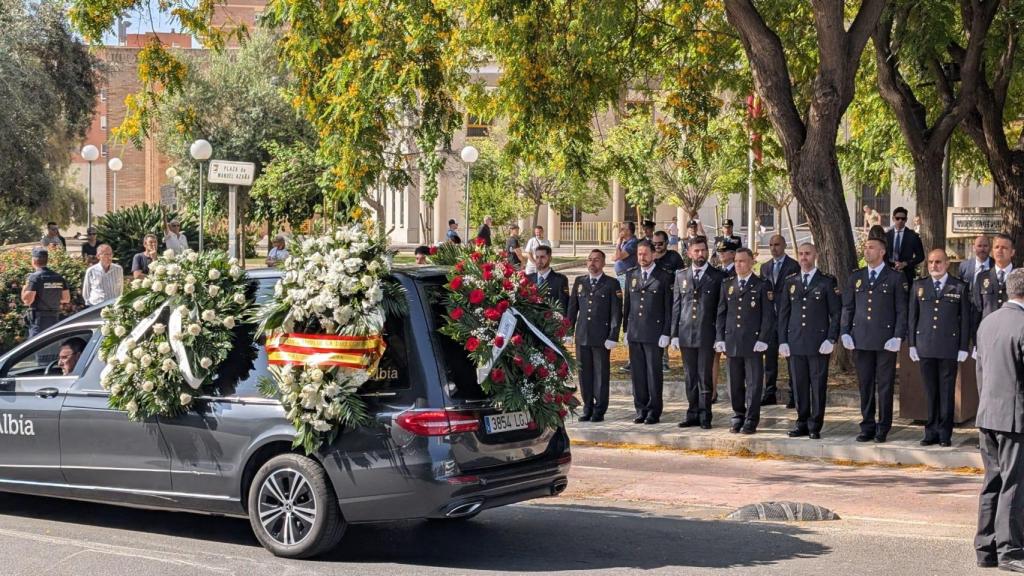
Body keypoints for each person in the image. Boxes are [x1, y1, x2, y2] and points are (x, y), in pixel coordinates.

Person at [974, 269, 1024, 571]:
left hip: (989, 412)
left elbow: (982, 370)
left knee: (992, 481)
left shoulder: (988, 321)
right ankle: (1011, 550)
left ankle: (986, 548)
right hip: (1014, 415)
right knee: (1014, 484)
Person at [841, 232, 908, 444]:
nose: (866, 251)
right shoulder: (856, 277)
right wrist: (845, 331)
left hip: (885, 340)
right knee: (865, 384)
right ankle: (867, 425)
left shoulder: (895, 277)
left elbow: (901, 310)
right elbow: (848, 307)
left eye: (871, 247)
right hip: (861, 338)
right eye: (866, 247)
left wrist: (898, 335)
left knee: (885, 385)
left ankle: (883, 426)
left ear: (882, 252)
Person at [908, 249, 970, 448]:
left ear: (947, 264)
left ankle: (945, 433)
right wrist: (912, 344)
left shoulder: (959, 287)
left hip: (948, 347)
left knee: (946, 391)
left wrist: (963, 346)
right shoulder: (919, 286)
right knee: (930, 391)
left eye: (938, 262)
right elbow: (912, 318)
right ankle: (931, 431)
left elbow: (965, 320)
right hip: (925, 346)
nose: (934, 266)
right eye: (931, 262)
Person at [778, 243, 840, 439]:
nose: (804, 257)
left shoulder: (826, 282)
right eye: (801, 254)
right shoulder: (791, 281)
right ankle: (801, 422)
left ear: (815, 256)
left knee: (817, 385)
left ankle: (815, 424)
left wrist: (831, 338)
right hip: (795, 342)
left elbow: (836, 313)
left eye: (807, 254)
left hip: (818, 343)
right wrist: (783, 341)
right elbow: (783, 314)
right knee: (798, 385)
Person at [714, 248, 773, 434]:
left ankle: (751, 418)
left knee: (754, 384)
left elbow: (768, 316)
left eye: (743, 261)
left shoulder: (762, 285)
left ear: (751, 263)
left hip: (753, 342)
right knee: (734, 382)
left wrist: (763, 338)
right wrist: (720, 337)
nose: (739, 264)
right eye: (737, 261)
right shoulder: (727, 284)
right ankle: (738, 415)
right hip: (732, 341)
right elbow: (721, 314)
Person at [670, 235, 726, 429]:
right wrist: (674, 334)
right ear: (689, 253)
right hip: (686, 334)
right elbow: (676, 306)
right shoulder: (681, 275)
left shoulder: (717, 276)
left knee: (704, 377)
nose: (701, 254)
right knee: (689, 376)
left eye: (703, 250)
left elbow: (721, 309)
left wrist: (719, 336)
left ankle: (705, 415)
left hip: (706, 334)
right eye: (697, 250)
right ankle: (692, 412)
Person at [566, 249, 622, 422]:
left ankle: (599, 409)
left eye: (596, 260)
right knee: (584, 375)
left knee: (600, 374)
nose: (592, 263)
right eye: (590, 260)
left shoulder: (612, 283)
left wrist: (613, 335)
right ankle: (587, 406)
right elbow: (572, 309)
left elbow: (616, 312)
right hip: (582, 336)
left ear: (603, 263)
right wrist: (568, 331)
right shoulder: (579, 281)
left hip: (601, 337)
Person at [622, 240, 673, 424]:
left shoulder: (664, 276)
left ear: (653, 254)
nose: (641, 257)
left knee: (653, 374)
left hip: (654, 333)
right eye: (639, 254)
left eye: (645, 254)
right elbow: (627, 304)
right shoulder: (632, 275)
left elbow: (668, 307)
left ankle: (654, 410)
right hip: (635, 332)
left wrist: (667, 332)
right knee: (638, 374)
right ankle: (641, 408)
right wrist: (625, 330)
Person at [760, 235, 800, 407]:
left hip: (787, 318)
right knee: (769, 359)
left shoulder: (793, 265)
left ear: (784, 245)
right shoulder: (765, 267)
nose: (773, 248)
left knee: (790, 359)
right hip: (770, 319)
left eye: (776, 244)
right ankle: (769, 393)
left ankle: (794, 394)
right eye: (770, 245)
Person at [20, 247, 70, 337]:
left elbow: (27, 301)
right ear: (46, 260)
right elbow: (66, 299)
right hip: (54, 318)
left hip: (39, 321)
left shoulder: (34, 277)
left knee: (36, 348)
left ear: (34, 261)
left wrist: (24, 288)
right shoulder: (58, 277)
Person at [974, 233, 1016, 337]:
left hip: (1013, 335)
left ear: (1012, 252)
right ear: (992, 251)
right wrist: (976, 342)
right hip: (988, 334)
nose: (999, 250)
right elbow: (977, 311)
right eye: (996, 247)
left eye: (1004, 247)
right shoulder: (982, 277)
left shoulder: (1020, 276)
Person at [885, 206, 925, 286]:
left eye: (903, 219)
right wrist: (889, 264)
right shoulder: (887, 236)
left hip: (906, 274)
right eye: (897, 218)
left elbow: (921, 256)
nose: (900, 221)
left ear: (906, 220)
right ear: (893, 218)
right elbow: (882, 254)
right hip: (888, 273)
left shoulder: (913, 236)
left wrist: (905, 263)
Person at [527, 245, 569, 314]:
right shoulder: (528, 278)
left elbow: (563, 306)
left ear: (550, 258)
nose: (539, 260)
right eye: (537, 257)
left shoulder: (560, 280)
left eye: (542, 257)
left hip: (551, 321)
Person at [613, 222, 639, 287]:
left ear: (629, 231)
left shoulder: (633, 243)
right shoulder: (625, 242)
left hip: (626, 275)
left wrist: (618, 244)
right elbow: (614, 258)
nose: (620, 231)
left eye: (622, 229)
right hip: (621, 275)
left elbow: (619, 257)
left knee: (624, 296)